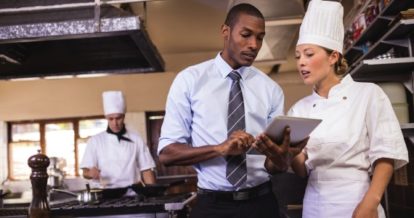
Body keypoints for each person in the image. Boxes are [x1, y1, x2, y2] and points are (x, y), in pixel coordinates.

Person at [157, 3, 306, 218]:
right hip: (212, 206)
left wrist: (284, 158)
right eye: (246, 35)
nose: (254, 45)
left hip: (262, 204)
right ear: (225, 32)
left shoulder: (270, 89)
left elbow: (273, 166)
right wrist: (221, 149)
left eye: (260, 37)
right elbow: (167, 154)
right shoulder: (189, 81)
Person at [289, 0, 409, 217]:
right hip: (315, 205)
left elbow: (386, 154)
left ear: (333, 56)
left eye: (308, 54)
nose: (301, 63)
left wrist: (371, 202)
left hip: (358, 200)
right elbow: (301, 169)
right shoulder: (299, 109)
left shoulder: (368, 94)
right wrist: (290, 153)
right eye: (298, 57)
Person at [80, 91, 156, 190]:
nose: (115, 123)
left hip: (132, 193)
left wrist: (153, 193)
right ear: (106, 118)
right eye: (111, 119)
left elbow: (146, 170)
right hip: (105, 194)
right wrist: (90, 173)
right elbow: (85, 172)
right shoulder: (95, 141)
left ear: (124, 116)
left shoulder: (136, 139)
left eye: (118, 118)